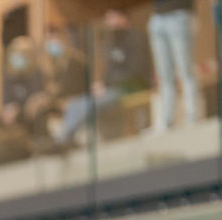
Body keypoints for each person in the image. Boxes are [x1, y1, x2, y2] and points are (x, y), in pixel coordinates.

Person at [52, 9, 151, 147]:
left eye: (112, 17)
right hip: (111, 88)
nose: (109, 22)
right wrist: (101, 84)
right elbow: (109, 72)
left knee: (89, 104)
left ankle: (63, 139)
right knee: (74, 104)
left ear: (123, 18)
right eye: (107, 18)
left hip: (131, 86)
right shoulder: (112, 42)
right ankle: (64, 138)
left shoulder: (136, 38)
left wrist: (107, 85)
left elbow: (135, 71)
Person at [148, 1, 200, 131]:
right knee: (164, 75)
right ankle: (166, 121)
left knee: (185, 70)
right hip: (157, 17)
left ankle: (192, 117)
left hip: (179, 14)